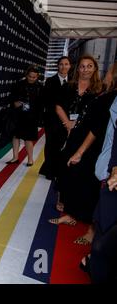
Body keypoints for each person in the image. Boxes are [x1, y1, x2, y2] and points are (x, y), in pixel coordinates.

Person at [49, 55, 108, 246]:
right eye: (82, 66)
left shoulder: (101, 90)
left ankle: (86, 222)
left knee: (86, 179)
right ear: (78, 69)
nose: (85, 69)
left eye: (89, 66)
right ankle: (70, 213)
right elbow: (57, 105)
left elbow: (99, 121)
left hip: (89, 141)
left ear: (95, 69)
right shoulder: (69, 86)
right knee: (67, 173)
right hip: (68, 135)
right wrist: (67, 124)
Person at [84, 61, 117, 282]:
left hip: (111, 177)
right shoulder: (112, 95)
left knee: (102, 247)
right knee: (101, 241)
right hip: (110, 175)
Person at [39, 56, 72, 180]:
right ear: (58, 66)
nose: (64, 66)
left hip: (65, 120)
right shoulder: (50, 81)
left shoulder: (72, 82)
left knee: (61, 145)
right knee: (50, 145)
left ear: (70, 66)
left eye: (66, 64)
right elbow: (48, 101)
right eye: (61, 64)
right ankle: (49, 171)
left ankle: (52, 168)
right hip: (52, 120)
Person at [6, 65, 43, 166]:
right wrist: (15, 102)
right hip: (18, 115)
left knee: (28, 138)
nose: (31, 79)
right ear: (26, 75)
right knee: (16, 136)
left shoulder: (40, 87)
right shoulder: (19, 84)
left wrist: (38, 116)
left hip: (31, 117)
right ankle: (15, 157)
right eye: (30, 76)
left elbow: (41, 103)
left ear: (37, 76)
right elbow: (12, 97)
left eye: (34, 77)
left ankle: (30, 159)